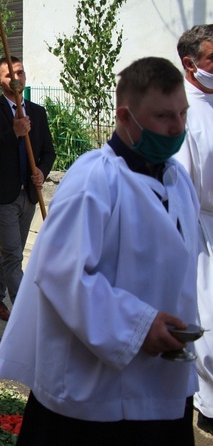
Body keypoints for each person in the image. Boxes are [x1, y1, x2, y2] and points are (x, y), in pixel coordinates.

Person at [0, 57, 199, 445]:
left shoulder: (176, 178)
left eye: (182, 114)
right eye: (164, 116)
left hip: (162, 380)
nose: (177, 128)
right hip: (93, 391)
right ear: (125, 116)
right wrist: (137, 326)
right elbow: (61, 274)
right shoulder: (94, 179)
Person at [0, 56, 56, 322]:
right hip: (2, 195)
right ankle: (26, 314)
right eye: (10, 74)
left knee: (10, 251)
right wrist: (14, 132)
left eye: (20, 72)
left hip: (28, 195)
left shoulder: (38, 112)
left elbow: (48, 151)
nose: (16, 77)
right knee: (13, 254)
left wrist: (42, 172)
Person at [175, 24, 213, 435]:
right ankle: (210, 404)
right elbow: (182, 181)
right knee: (209, 321)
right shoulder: (182, 112)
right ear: (190, 64)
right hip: (203, 228)